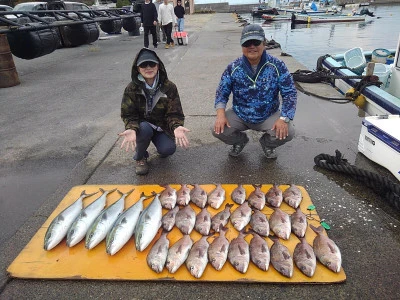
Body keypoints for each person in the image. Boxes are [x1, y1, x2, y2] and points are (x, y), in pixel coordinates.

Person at [212, 24, 297, 159]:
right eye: (247, 43)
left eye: (256, 42)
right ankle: (240, 140)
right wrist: (220, 115)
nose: (252, 46)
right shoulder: (233, 67)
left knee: (288, 132)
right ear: (242, 46)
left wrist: (284, 118)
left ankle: (267, 143)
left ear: (264, 43)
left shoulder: (277, 65)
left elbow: (290, 94)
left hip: (268, 115)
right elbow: (222, 93)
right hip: (240, 114)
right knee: (217, 129)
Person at [119, 48, 190, 175]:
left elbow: (174, 112)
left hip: (161, 127)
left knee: (168, 150)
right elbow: (129, 114)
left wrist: (176, 126)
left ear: (158, 66)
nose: (148, 68)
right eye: (143, 65)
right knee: (144, 129)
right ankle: (140, 157)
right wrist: (131, 128)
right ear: (137, 68)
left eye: (152, 64)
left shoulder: (169, 87)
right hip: (142, 127)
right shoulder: (131, 88)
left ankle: (159, 144)